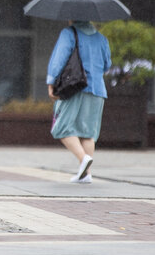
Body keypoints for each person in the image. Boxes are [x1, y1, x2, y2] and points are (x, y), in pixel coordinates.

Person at [47, 20, 112, 184]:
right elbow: (107, 65)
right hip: (98, 90)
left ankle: (83, 159)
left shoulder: (69, 33)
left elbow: (59, 59)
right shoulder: (101, 38)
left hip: (74, 88)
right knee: (88, 133)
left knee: (61, 128)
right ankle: (86, 174)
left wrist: (51, 82)